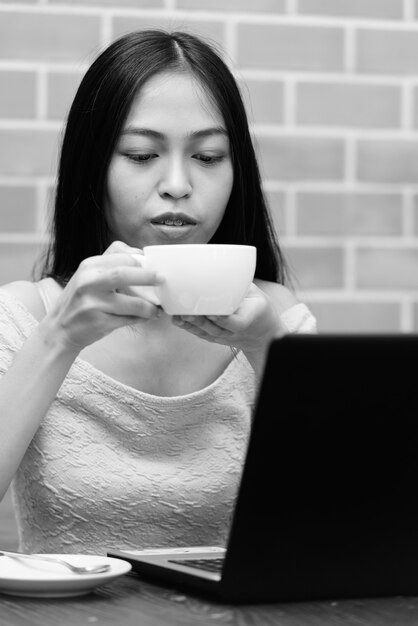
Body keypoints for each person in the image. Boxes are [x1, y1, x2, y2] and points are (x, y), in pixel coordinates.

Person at [0, 29, 317, 555]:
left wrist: (270, 352)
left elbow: (337, 519)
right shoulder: (23, 316)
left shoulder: (274, 315)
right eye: (142, 154)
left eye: (209, 157)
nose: (178, 183)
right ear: (92, 166)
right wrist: (57, 340)